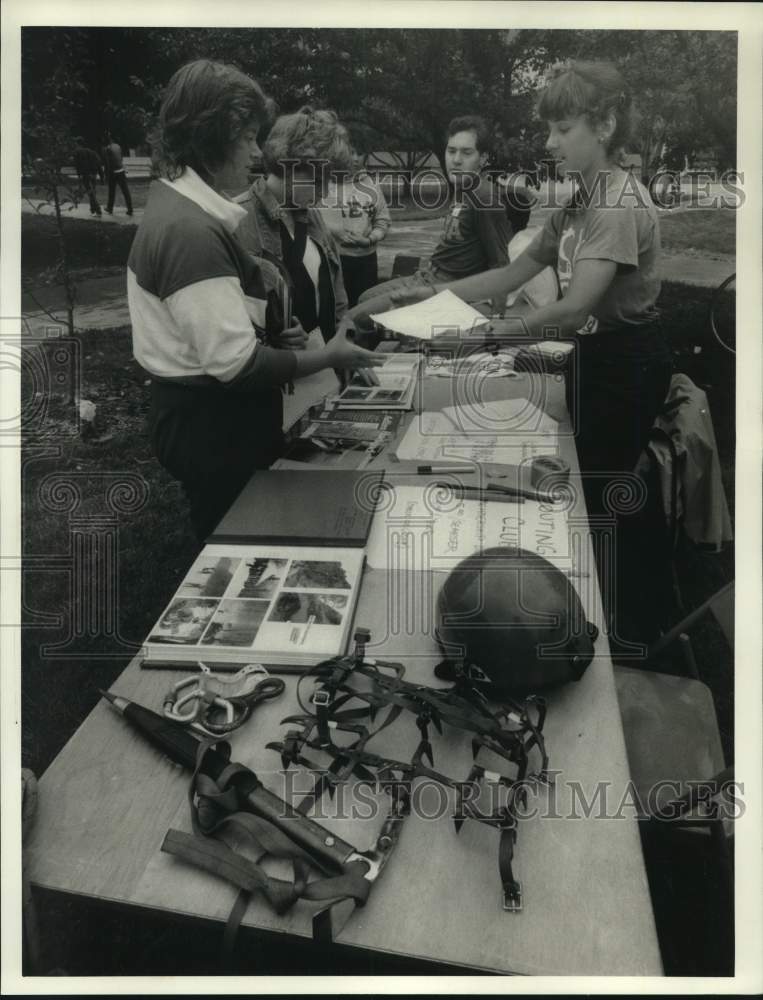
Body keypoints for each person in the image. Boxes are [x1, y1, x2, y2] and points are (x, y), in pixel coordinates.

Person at [352, 61, 673, 640]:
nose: (549, 143)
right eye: (548, 128)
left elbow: (574, 310)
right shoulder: (580, 198)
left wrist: (480, 334)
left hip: (628, 362)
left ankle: (626, 622)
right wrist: (432, 296)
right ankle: (599, 601)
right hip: (597, 358)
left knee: (600, 487)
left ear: (603, 125)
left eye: (562, 128)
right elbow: (513, 271)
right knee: (587, 482)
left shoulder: (617, 203)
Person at [127, 60, 382, 542]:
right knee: (235, 538)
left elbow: (220, 313)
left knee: (252, 528)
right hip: (215, 423)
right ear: (215, 135)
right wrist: (324, 355)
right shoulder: (194, 229)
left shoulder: (187, 211)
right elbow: (234, 363)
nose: (256, 151)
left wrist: (276, 327)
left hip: (232, 412)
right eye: (247, 136)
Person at [356, 115, 513, 306]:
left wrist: (496, 320)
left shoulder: (485, 197)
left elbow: (500, 263)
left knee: (357, 316)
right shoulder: (463, 187)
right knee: (363, 298)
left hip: (447, 290)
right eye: (451, 151)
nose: (456, 160)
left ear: (483, 158)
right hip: (428, 276)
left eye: (466, 153)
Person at [234, 107, 353, 345]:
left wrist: (345, 339)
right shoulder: (238, 219)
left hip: (325, 368)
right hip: (279, 374)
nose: (325, 192)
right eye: (318, 181)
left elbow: (337, 294)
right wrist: (274, 337)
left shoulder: (311, 216)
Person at [320, 154, 391, 306]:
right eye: (350, 152)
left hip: (366, 261)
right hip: (333, 260)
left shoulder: (371, 185)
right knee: (334, 310)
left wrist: (370, 239)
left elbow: (382, 220)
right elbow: (311, 220)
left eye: (359, 153)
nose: (355, 158)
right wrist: (334, 231)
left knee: (363, 310)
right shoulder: (325, 184)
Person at [102, 131, 133, 216]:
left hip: (113, 172)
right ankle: (130, 209)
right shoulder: (118, 146)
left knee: (111, 191)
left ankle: (110, 208)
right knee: (125, 191)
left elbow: (107, 163)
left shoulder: (107, 148)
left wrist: (106, 175)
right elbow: (121, 158)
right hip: (121, 171)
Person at [73, 144, 104, 216]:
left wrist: (79, 175)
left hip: (86, 174)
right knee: (92, 192)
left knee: (91, 193)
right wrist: (102, 176)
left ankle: (98, 210)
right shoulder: (93, 152)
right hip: (93, 174)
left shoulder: (78, 152)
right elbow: (99, 163)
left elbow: (77, 164)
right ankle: (92, 209)